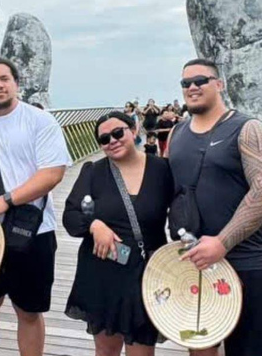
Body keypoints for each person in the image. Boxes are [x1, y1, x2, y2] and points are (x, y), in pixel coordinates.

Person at [166, 58, 262, 356]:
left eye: (200, 81)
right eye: (185, 83)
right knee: (200, 346)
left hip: (245, 261)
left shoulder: (247, 129)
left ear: (219, 84)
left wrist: (222, 242)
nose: (192, 87)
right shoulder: (177, 133)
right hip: (196, 262)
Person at [0, 57, 72, 356]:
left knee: (29, 311)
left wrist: (7, 200)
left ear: (16, 83)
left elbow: (52, 174)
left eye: (4, 79)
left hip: (33, 229)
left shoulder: (40, 121)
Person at [64, 111, 174, 356]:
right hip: (104, 271)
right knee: (105, 350)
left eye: (117, 133)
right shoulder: (93, 172)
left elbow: (182, 213)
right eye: (104, 139)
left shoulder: (162, 170)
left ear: (133, 131)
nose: (112, 141)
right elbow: (71, 216)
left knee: (142, 350)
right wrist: (94, 226)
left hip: (146, 274)